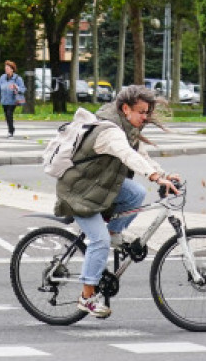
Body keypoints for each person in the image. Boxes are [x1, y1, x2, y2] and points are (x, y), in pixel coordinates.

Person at [53, 85, 181, 319]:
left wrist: (162, 175)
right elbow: (127, 155)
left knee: (135, 193)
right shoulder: (110, 131)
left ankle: (113, 233)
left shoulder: (128, 128)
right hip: (79, 192)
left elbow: (141, 155)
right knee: (99, 241)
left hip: (99, 185)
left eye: (147, 112)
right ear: (125, 108)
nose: (145, 117)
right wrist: (154, 177)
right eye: (142, 112)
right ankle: (86, 297)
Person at [0, 60, 26, 138]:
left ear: (12, 69)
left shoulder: (18, 78)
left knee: (9, 114)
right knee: (7, 116)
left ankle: (10, 131)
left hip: (13, 101)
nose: (6, 69)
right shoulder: (2, 78)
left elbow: (23, 89)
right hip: (4, 101)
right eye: (5, 68)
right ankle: (11, 128)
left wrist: (16, 87)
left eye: (8, 68)